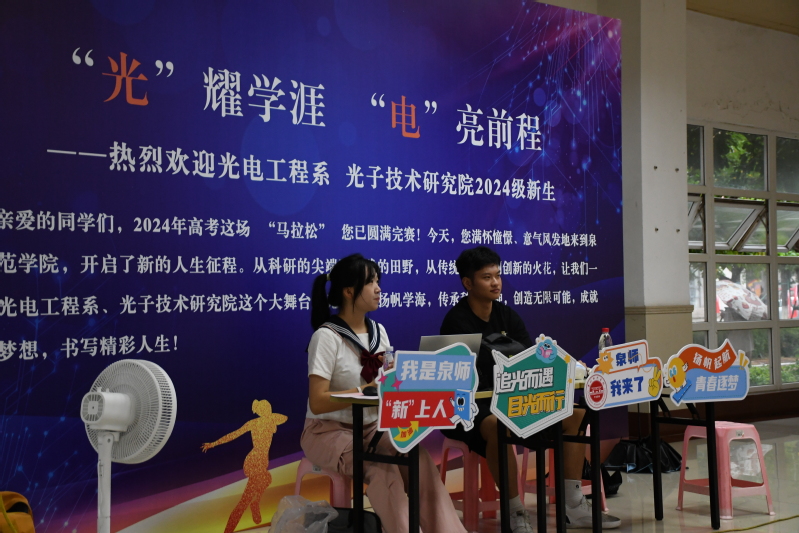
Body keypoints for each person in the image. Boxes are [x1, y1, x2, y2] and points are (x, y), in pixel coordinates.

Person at [440, 246, 621, 530]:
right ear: (468, 283)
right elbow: (457, 376)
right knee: (497, 425)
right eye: (487, 277)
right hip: (472, 408)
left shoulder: (508, 316)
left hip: (515, 399)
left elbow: (528, 360)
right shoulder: (456, 321)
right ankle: (515, 511)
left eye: (498, 275)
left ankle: (573, 505)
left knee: (575, 415)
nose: (496, 282)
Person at [301, 253, 467, 533]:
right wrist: (362, 391)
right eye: (371, 282)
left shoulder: (379, 332)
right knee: (382, 468)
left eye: (378, 281)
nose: (378, 289)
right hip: (327, 431)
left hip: (372, 427)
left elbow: (388, 385)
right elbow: (317, 402)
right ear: (349, 291)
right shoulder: (326, 336)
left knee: (418, 457)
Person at [201, 400, 287, 533]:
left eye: (268, 408)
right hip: (254, 462)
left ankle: (255, 503)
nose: (268, 410)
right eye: (265, 408)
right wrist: (213, 444)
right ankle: (229, 529)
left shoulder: (271, 420)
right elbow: (234, 435)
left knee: (267, 479)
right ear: (262, 411)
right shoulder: (254, 423)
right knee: (244, 501)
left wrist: (267, 414)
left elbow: (284, 418)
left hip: (262, 461)